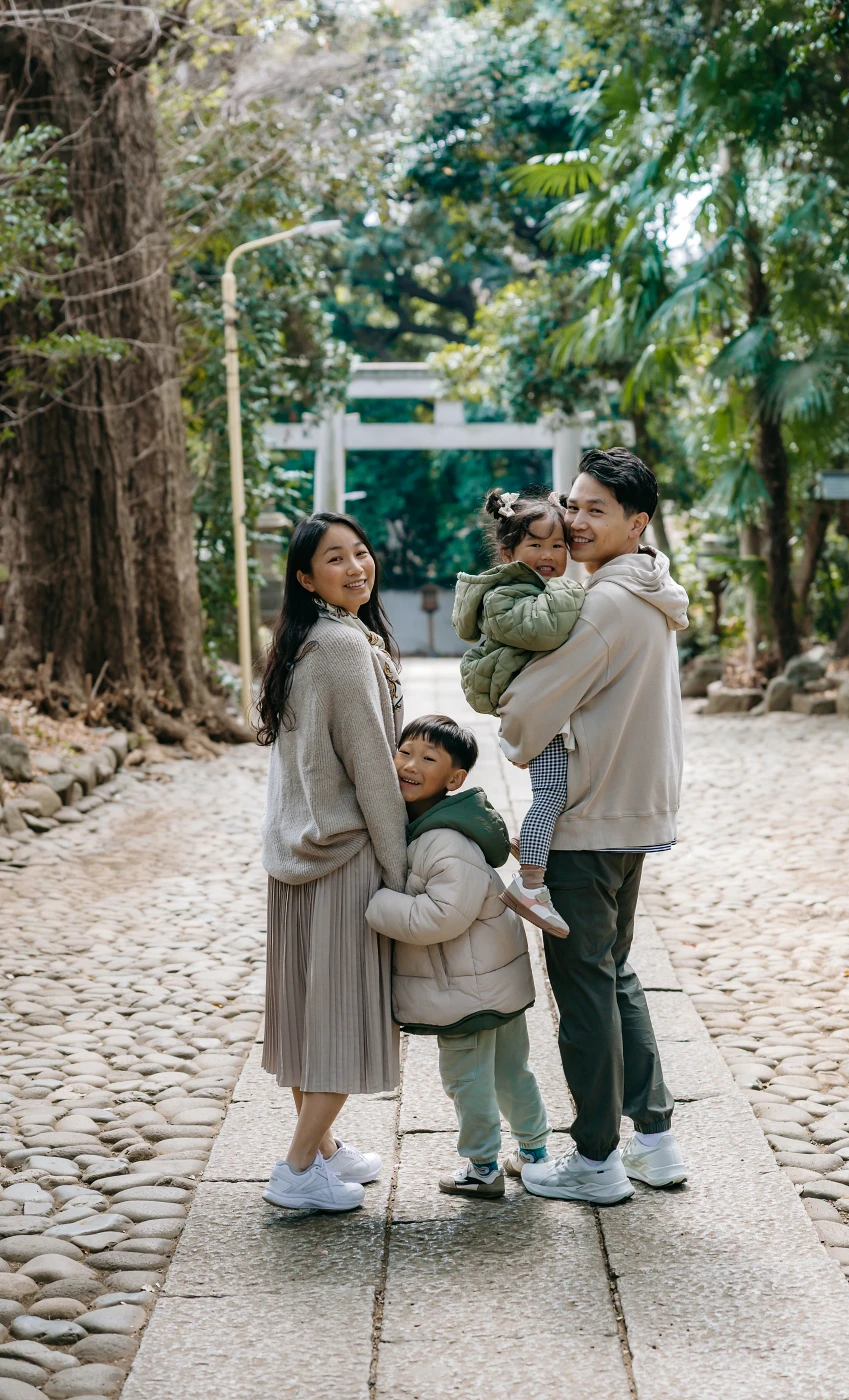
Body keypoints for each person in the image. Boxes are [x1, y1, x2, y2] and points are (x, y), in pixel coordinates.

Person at [496, 447, 690, 1206]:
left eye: (593, 510)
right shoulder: (649, 586)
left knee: (582, 992)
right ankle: (655, 1141)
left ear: (635, 523)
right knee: (616, 978)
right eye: (571, 505)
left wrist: (512, 716)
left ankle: (597, 1161)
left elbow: (526, 704)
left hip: (585, 818)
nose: (573, 521)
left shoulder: (604, 603)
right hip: (631, 813)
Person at [256, 512, 408, 1213]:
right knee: (344, 1026)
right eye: (335, 559)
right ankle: (295, 1172)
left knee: (307, 1022)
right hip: (343, 858)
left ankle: (323, 1150)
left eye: (361, 551)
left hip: (295, 856)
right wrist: (399, 868)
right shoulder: (344, 648)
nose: (356, 567)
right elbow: (374, 770)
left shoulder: (300, 643)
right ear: (304, 575)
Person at [365, 714, 550, 1199]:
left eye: (428, 758)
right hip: (490, 980)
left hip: (466, 988)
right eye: (404, 752)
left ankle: (484, 1166)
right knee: (511, 1070)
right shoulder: (436, 828)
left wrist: (379, 904)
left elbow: (442, 916)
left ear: (454, 779)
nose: (409, 764)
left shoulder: (441, 840)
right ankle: (533, 1151)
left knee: (468, 1079)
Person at [452, 488, 585, 937]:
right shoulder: (504, 596)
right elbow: (545, 631)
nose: (549, 554)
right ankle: (530, 885)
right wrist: (573, 590)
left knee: (552, 791)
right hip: (531, 708)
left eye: (558, 545)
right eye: (537, 545)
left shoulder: (534, 589)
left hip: (536, 704)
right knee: (550, 793)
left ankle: (529, 846)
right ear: (509, 552)